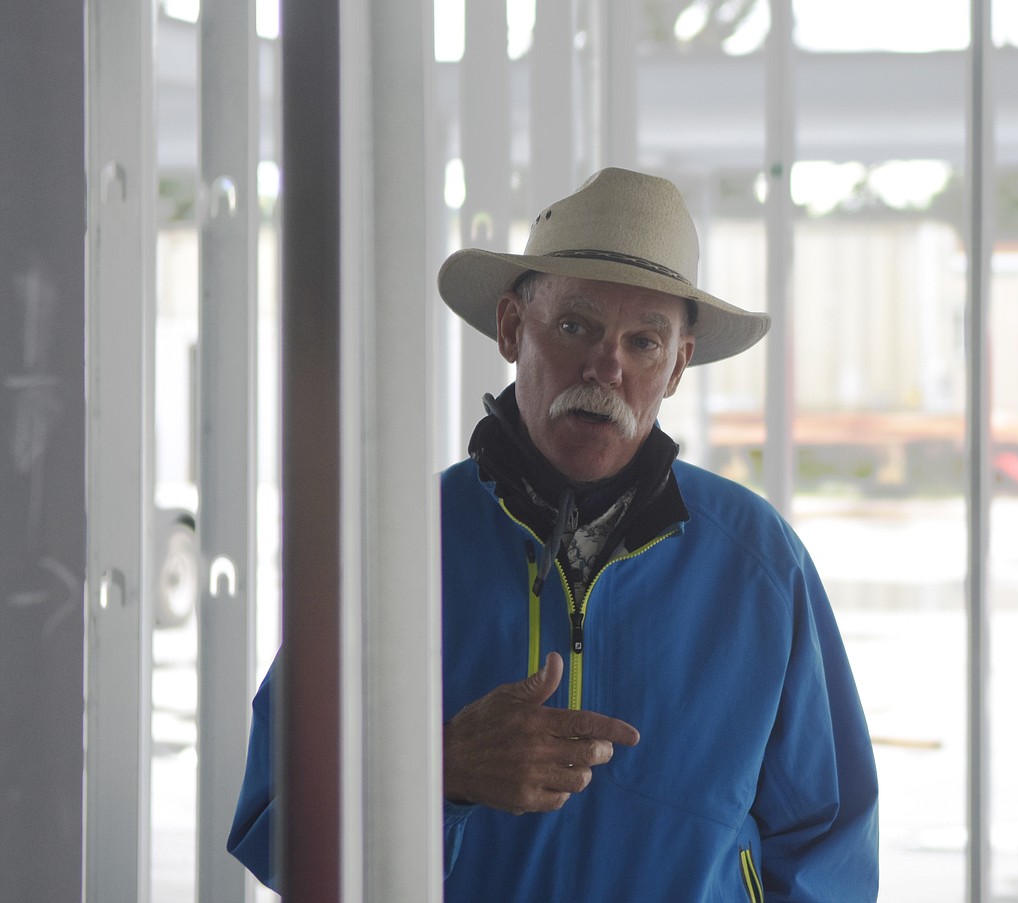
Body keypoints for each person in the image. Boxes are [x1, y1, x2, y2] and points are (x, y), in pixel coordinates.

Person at [229, 167, 879, 900]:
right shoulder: (399, 547)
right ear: (512, 327)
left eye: (644, 342)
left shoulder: (760, 564)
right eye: (577, 326)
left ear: (677, 367)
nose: (607, 366)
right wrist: (437, 771)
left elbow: (831, 850)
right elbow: (272, 817)